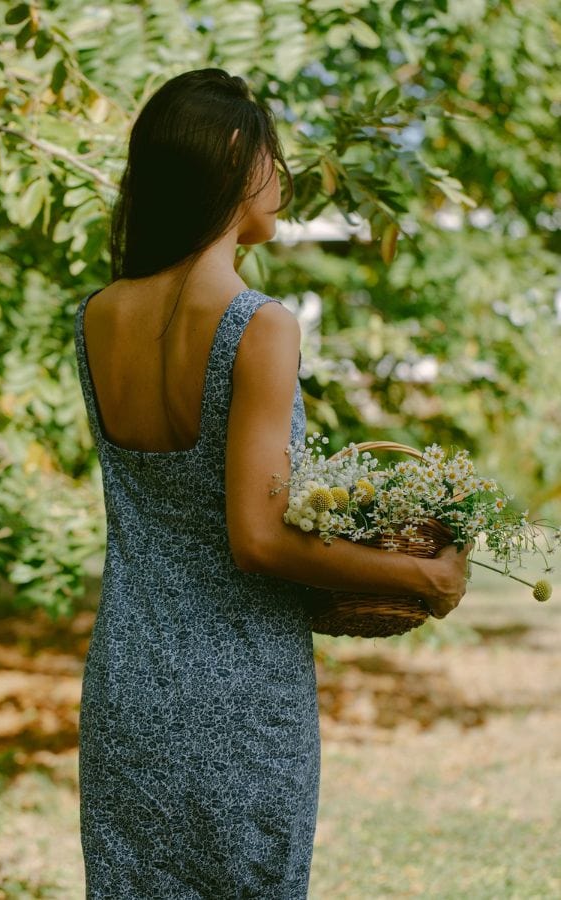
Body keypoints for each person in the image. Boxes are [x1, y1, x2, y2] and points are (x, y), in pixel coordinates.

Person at [73, 67, 470, 899]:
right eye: (270, 155)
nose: (281, 178)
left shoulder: (99, 316)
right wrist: (422, 575)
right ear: (229, 158)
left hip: (127, 686)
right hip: (240, 695)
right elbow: (257, 540)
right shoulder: (260, 325)